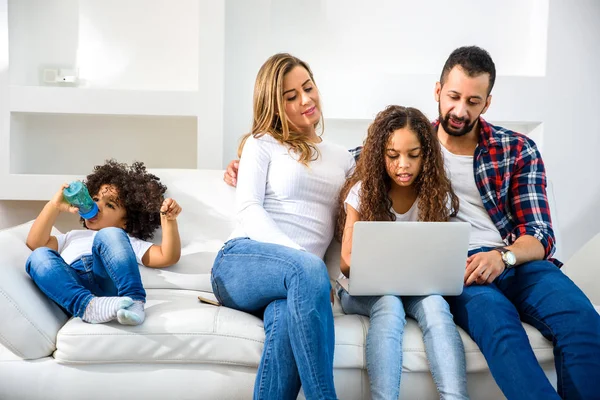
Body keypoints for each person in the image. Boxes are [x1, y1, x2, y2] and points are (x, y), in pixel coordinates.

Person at [223, 46, 600, 399]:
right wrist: (245, 167)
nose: (460, 110)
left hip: (517, 260)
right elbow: (360, 165)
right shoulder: (410, 142)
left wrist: (504, 257)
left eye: (473, 101)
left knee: (584, 325)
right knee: (502, 333)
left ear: (488, 101)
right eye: (453, 97)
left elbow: (540, 233)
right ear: (438, 91)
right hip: (459, 268)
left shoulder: (516, 149)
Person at [210, 53, 354, 400]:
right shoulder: (262, 143)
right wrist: (304, 260)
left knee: (286, 324)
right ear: (274, 105)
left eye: (308, 87)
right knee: (307, 270)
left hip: (294, 286)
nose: (305, 100)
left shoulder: (344, 158)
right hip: (241, 263)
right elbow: (248, 207)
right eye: (291, 96)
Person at [336, 105, 468, 400]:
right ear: (379, 155)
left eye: (413, 155)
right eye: (393, 156)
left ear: (427, 155)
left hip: (417, 287)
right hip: (361, 288)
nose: (403, 165)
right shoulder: (362, 191)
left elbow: (441, 254)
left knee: (435, 305)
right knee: (389, 303)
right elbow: (346, 262)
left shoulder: (436, 195)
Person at [26, 159, 182, 326]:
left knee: (110, 234)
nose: (97, 205)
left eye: (110, 205)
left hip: (107, 280)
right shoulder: (71, 236)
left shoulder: (124, 239)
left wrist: (169, 220)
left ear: (126, 222)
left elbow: (167, 256)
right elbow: (35, 243)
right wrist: (54, 206)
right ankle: (88, 307)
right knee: (38, 256)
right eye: (95, 198)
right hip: (74, 287)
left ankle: (134, 301)